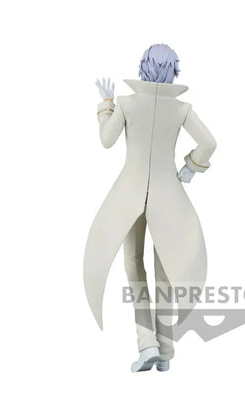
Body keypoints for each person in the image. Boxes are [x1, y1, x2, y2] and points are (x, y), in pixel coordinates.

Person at [84, 43, 217, 372]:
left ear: (143, 66)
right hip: (168, 196)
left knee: (133, 264)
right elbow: (209, 143)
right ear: (174, 70)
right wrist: (192, 166)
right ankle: (166, 350)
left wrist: (105, 105)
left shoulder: (127, 103)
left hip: (129, 195)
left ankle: (147, 346)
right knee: (165, 272)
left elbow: (106, 140)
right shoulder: (181, 109)